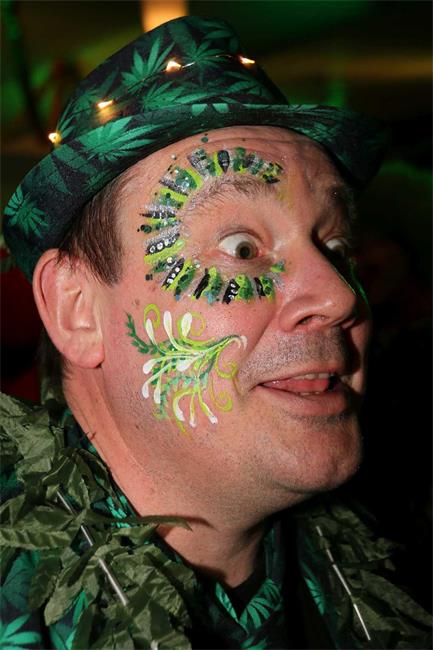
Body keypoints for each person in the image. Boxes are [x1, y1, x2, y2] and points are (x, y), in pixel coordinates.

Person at [1, 15, 430, 650]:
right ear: (76, 309)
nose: (340, 295)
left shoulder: (395, 574)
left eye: (337, 247)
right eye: (241, 248)